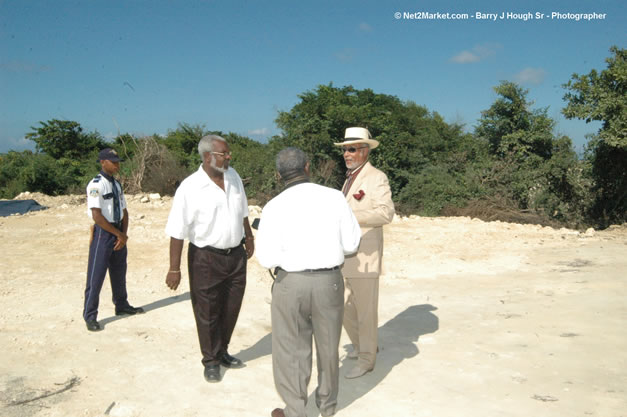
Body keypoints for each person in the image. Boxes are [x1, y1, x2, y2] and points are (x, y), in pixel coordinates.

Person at [256, 147, 361, 417]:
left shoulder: (273, 206)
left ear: (279, 176)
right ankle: (327, 407)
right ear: (307, 167)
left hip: (291, 284)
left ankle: (295, 411)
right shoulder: (334, 197)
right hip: (329, 282)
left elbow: (266, 258)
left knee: (291, 349)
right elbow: (351, 243)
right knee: (328, 347)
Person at [164, 134, 255, 383]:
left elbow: (243, 209)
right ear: (207, 157)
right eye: (223, 153)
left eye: (228, 153)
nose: (229, 157)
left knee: (231, 307)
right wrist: (174, 269)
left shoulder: (233, 176)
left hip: (235, 256)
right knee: (207, 311)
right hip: (205, 258)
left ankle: (222, 350)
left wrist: (249, 236)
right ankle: (211, 360)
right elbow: (177, 230)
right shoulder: (190, 187)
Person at [334, 127, 395, 379]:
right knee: (341, 304)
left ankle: (367, 359)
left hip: (366, 254)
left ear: (365, 150)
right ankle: (361, 346)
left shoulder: (376, 177)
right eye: (344, 150)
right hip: (345, 253)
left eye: (351, 149)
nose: (346, 154)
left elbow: (385, 213)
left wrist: (347, 217)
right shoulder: (349, 178)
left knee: (366, 308)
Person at [83, 148, 144, 332]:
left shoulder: (117, 184)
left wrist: (123, 234)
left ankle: (121, 304)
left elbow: (124, 211)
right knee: (96, 276)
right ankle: (90, 315)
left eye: (118, 161)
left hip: (118, 231)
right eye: (113, 161)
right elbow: (97, 216)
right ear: (103, 162)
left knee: (119, 272)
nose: (117, 164)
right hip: (104, 233)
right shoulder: (96, 185)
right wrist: (118, 235)